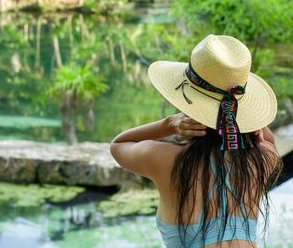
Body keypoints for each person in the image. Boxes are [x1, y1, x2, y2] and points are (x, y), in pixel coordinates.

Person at [110, 34, 282, 247]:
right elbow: (270, 142)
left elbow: (118, 145)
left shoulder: (164, 159)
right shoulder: (262, 159)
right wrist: (252, 123)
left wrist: (169, 124)